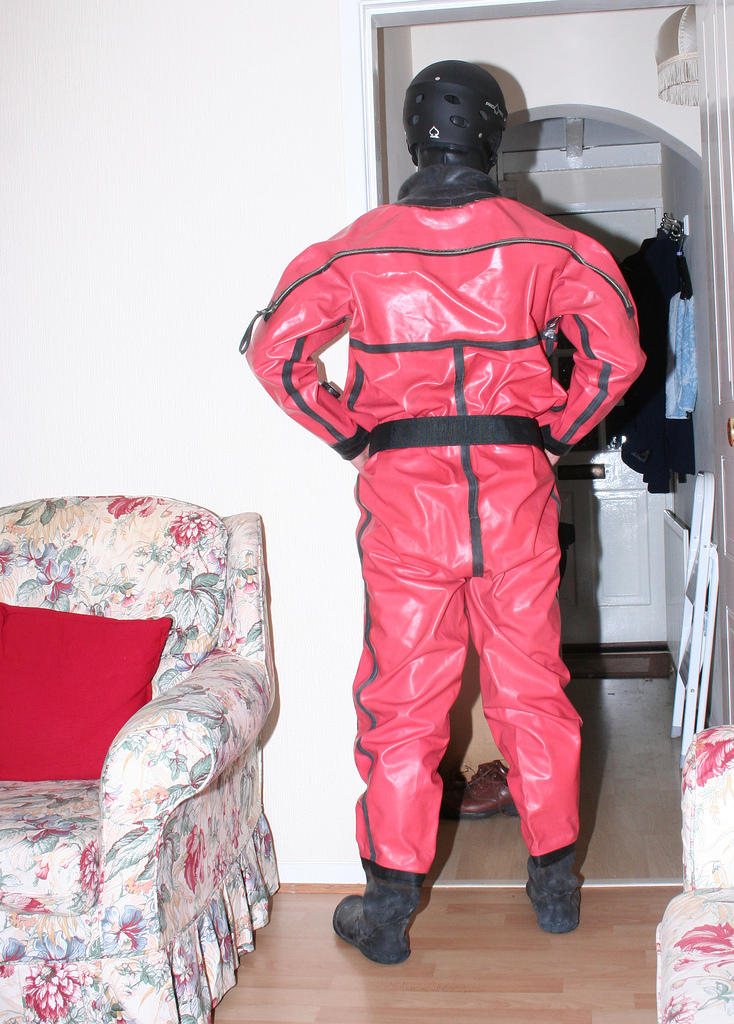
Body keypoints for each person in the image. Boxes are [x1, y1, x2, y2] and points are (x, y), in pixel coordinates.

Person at [243, 60, 645, 964]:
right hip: (514, 501)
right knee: (533, 691)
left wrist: (353, 437)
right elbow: (617, 356)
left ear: (411, 135)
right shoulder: (550, 244)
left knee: (402, 704)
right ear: (491, 136)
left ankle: (387, 913)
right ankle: (555, 892)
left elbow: (275, 354)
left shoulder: (355, 249)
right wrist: (555, 433)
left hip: (407, 510)